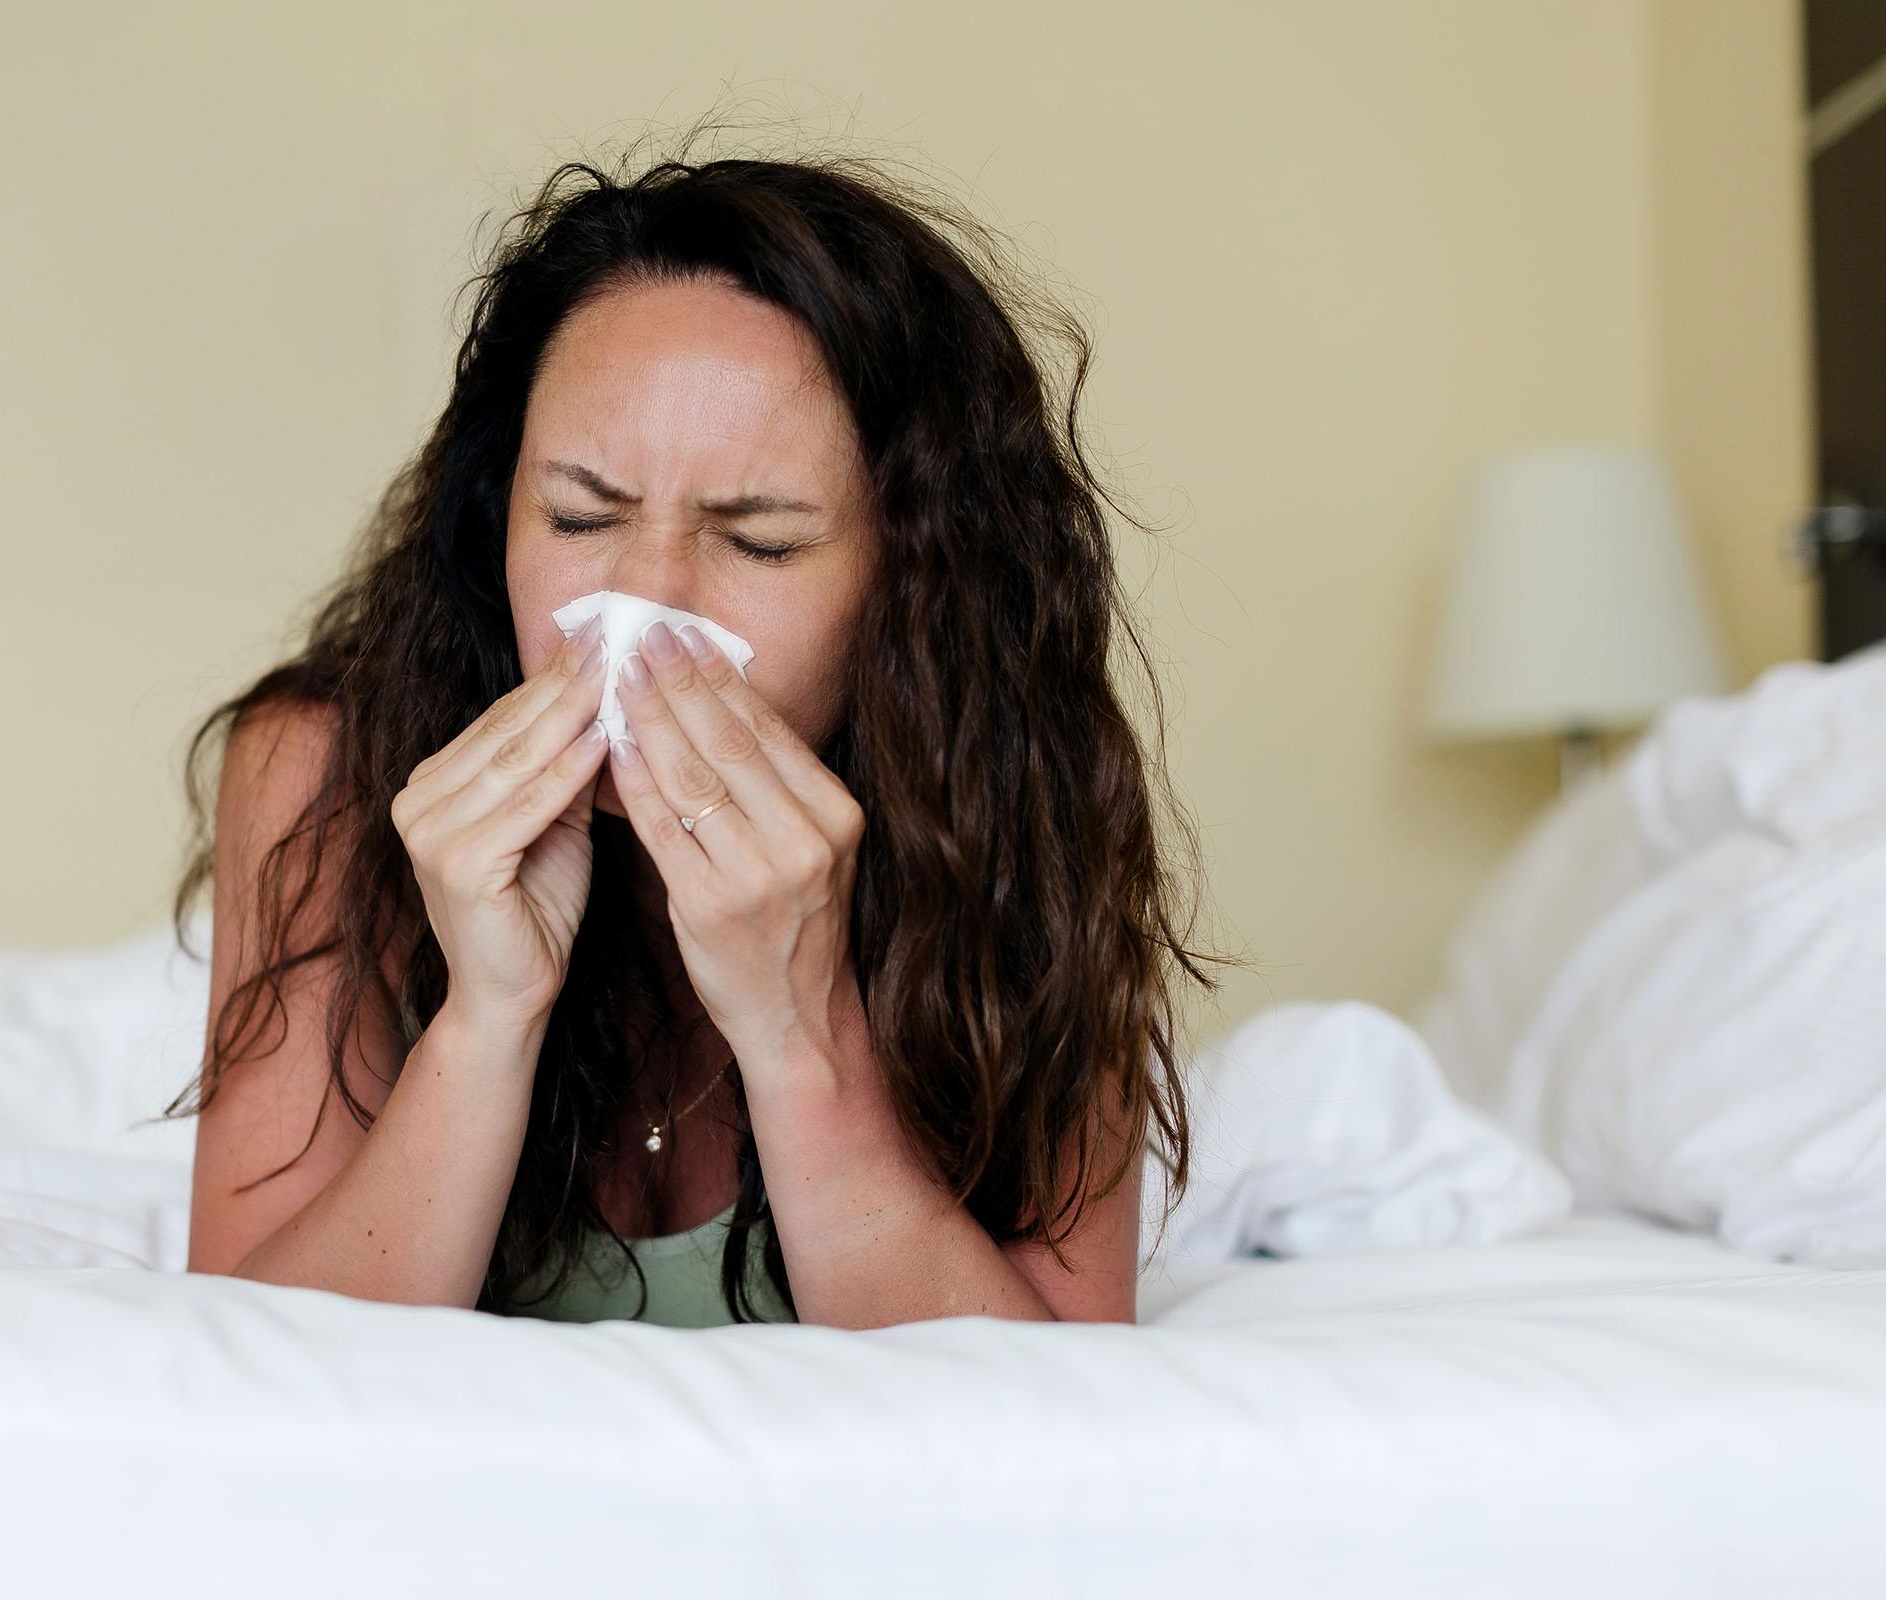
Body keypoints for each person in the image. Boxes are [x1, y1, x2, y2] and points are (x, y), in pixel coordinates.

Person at [167, 121, 1227, 1329]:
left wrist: (799, 1032)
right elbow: (239, 1369)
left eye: (758, 541)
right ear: (494, 515)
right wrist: (484, 1019)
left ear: (914, 587)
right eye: (577, 518)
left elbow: (1057, 1425)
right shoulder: (323, 775)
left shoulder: (1017, 806)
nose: (646, 613)